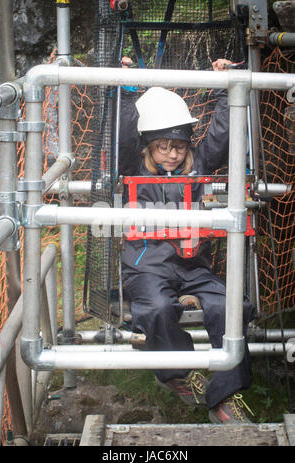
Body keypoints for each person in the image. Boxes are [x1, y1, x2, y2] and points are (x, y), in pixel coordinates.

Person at [118, 58, 255, 424]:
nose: (172, 154)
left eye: (178, 146)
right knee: (156, 310)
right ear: (148, 149)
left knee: (231, 308)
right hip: (147, 266)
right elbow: (124, 137)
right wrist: (127, 91)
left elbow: (222, 134)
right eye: (162, 147)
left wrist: (223, 88)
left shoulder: (199, 166)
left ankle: (224, 396)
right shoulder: (133, 168)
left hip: (193, 266)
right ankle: (177, 373)